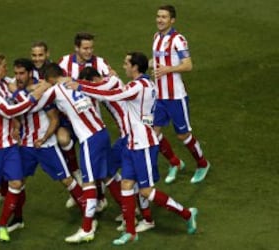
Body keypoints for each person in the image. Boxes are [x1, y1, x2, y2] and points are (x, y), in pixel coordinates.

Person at [66, 52, 198, 245]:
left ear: (135, 67)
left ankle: (187, 214)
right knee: (127, 185)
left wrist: (81, 86)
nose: (124, 66)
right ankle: (130, 231)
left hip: (143, 145)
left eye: (127, 63)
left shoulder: (139, 86)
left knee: (146, 191)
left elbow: (113, 94)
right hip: (131, 143)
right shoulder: (142, 85)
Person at [31, 63, 111, 243]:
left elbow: (35, 105)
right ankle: (132, 212)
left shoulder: (55, 90)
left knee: (89, 183)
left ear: (49, 79)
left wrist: (32, 91)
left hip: (90, 138)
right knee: (108, 174)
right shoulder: (76, 82)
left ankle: (87, 228)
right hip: (102, 132)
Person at [6, 58, 85, 233]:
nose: (18, 77)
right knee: (18, 182)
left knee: (67, 180)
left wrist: (44, 138)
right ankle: (17, 218)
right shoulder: (18, 88)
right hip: (26, 145)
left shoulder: (43, 90)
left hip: (45, 145)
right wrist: (17, 128)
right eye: (16, 73)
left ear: (29, 73)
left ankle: (88, 216)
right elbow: (14, 112)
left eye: (22, 73)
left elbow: (54, 118)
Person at [77, 67, 155, 233]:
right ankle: (132, 209)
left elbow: (100, 89)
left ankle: (134, 213)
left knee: (113, 171)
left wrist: (75, 84)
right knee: (114, 172)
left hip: (130, 136)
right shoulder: (108, 82)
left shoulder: (110, 82)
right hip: (128, 135)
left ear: (95, 79)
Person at [0, 52, 43, 242]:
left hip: (11, 145)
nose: (6, 68)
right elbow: (7, 110)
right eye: (3, 65)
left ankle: (2, 225)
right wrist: (32, 99)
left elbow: (20, 86)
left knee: (16, 183)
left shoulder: (4, 82)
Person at [151, 5, 210, 184]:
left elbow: (188, 65)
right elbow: (156, 61)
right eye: (158, 16)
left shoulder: (178, 40)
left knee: (183, 135)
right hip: (158, 97)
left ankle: (202, 164)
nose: (160, 20)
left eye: (164, 17)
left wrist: (168, 69)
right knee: (153, 134)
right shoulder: (156, 37)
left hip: (175, 97)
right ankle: (175, 163)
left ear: (172, 20)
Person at [58, 32, 114, 210]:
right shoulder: (64, 62)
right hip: (68, 119)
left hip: (90, 120)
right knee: (63, 142)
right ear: (76, 48)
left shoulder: (99, 63)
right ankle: (78, 184)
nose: (89, 51)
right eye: (85, 48)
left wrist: (104, 79)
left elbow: (112, 79)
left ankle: (100, 196)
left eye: (91, 48)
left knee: (92, 161)